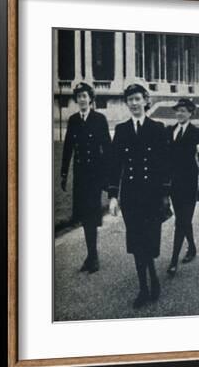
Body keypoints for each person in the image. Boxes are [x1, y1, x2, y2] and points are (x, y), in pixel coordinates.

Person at [107, 84, 171, 309]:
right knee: (136, 242)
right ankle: (144, 287)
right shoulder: (122, 130)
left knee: (149, 242)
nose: (134, 104)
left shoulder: (158, 128)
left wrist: (165, 194)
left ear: (145, 100)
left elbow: (165, 165)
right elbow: (114, 164)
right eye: (129, 100)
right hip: (132, 197)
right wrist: (113, 196)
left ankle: (152, 274)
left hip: (152, 196)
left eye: (137, 99)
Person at [60, 82, 111, 273]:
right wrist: (64, 173)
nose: (82, 99)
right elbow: (68, 148)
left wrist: (107, 176)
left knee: (91, 215)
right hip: (80, 174)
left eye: (84, 96)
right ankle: (91, 255)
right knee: (83, 215)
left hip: (95, 175)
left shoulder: (99, 119)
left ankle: (93, 256)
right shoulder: (73, 120)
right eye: (79, 96)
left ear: (91, 98)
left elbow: (107, 148)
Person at [166, 98, 199, 276]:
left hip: (190, 184)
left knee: (181, 222)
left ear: (190, 113)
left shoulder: (197, 133)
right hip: (174, 185)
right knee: (184, 220)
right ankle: (191, 247)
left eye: (183, 111)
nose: (180, 113)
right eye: (177, 110)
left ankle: (174, 260)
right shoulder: (170, 131)